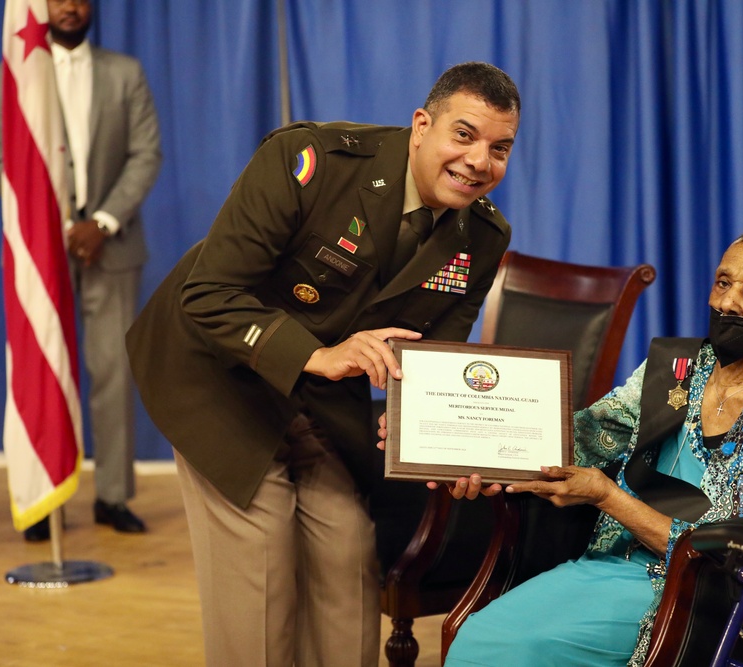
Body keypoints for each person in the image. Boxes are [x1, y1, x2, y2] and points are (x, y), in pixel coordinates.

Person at [125, 62, 521, 666]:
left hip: (320, 401)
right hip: (218, 372)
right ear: (421, 125)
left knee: (346, 555)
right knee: (259, 562)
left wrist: (442, 442)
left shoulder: (484, 237)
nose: (478, 161)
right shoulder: (311, 161)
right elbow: (209, 294)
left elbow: (431, 365)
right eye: (463, 135)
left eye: (500, 148)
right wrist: (317, 355)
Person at [435, 227, 743, 666]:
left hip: (687, 592)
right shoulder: (677, 367)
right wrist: (478, 453)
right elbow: (586, 435)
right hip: (605, 565)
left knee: (520, 650)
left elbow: (726, 553)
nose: (727, 302)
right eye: (723, 282)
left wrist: (606, 494)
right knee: (482, 633)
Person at [0, 0, 162, 540]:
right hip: (41, 253)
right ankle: (41, 498)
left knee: (112, 375)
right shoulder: (13, 71)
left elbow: (145, 154)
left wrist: (101, 223)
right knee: (40, 369)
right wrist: (53, 227)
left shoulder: (125, 72)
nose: (69, 6)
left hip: (112, 247)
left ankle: (111, 496)